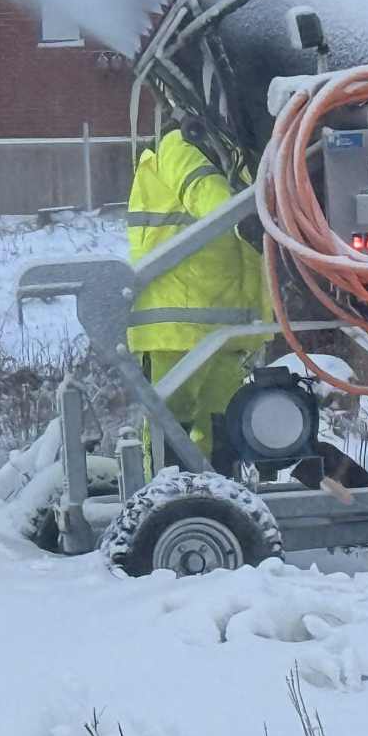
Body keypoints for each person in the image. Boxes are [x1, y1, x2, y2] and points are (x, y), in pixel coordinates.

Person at [125, 118, 269, 473]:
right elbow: (204, 191)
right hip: (175, 327)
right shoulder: (178, 146)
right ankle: (167, 500)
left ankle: (220, 498)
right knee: (173, 428)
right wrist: (244, 219)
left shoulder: (237, 155)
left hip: (226, 326)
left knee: (224, 428)